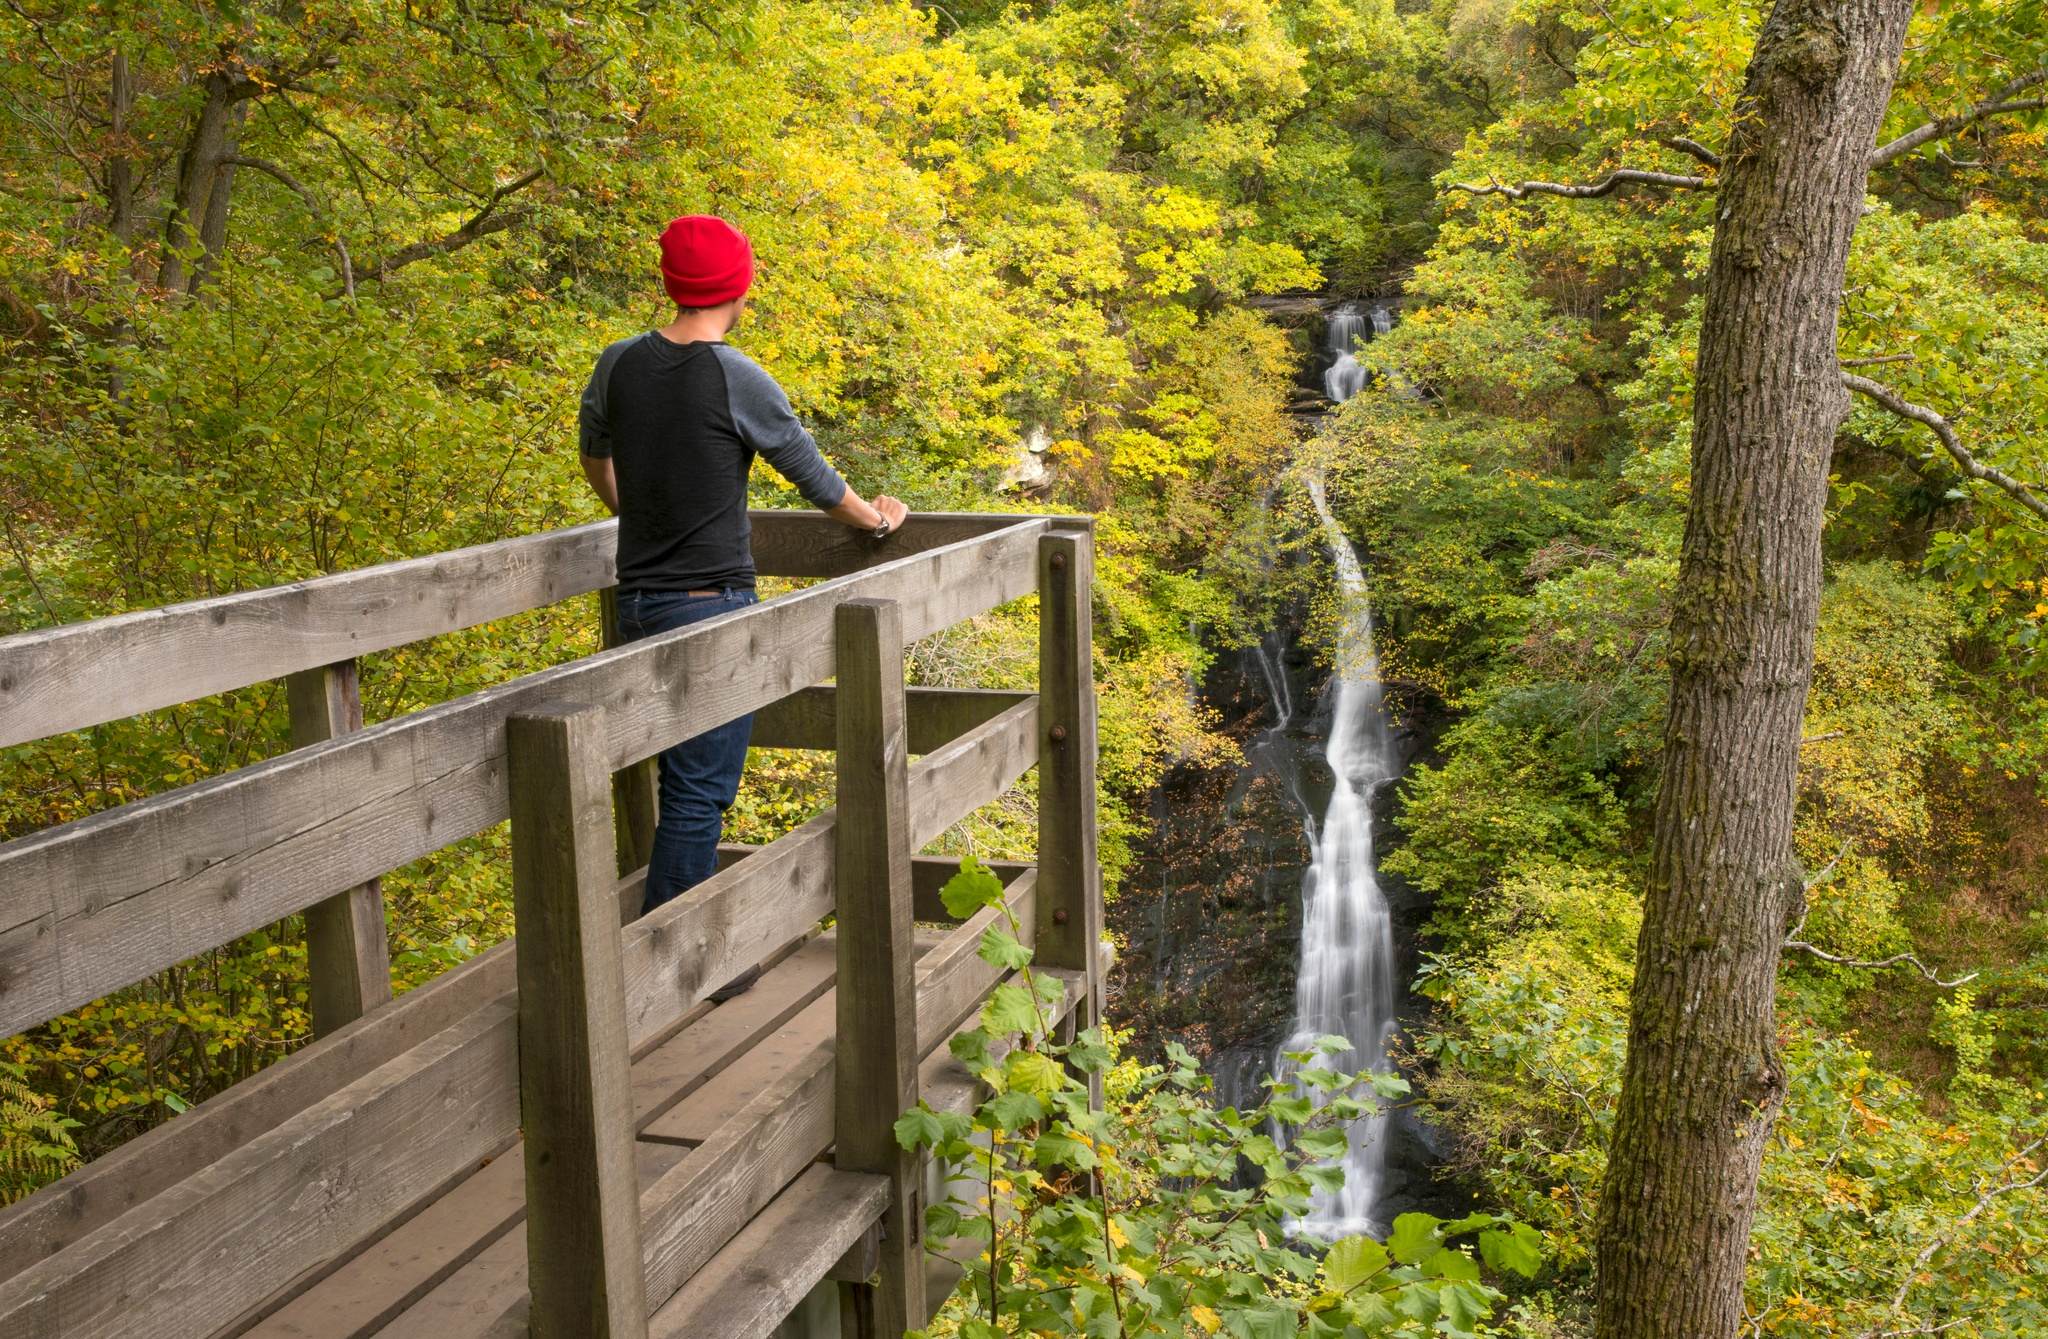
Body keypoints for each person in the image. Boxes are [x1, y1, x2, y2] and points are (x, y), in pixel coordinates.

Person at [579, 214, 909, 981]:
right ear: (739, 286)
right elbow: (815, 478)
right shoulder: (735, 376)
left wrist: (630, 510)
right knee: (699, 793)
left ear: (671, 283)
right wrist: (878, 519)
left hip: (639, 604)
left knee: (676, 780)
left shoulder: (618, 363)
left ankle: (677, 953)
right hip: (710, 604)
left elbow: (594, 453)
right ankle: (675, 966)